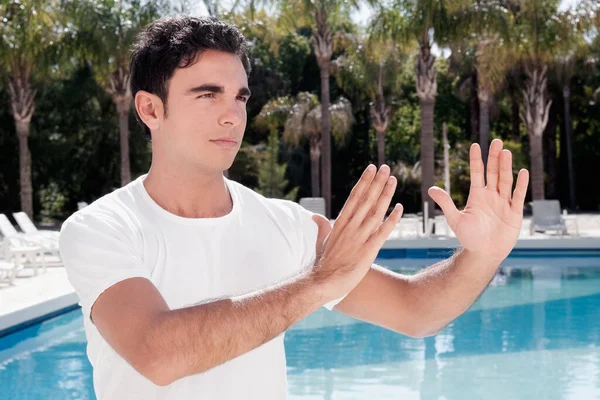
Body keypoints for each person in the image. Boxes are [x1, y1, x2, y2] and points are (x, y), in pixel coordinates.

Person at [58, 16, 530, 400]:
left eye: (240, 97)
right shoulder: (102, 229)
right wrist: (319, 282)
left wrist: (482, 255)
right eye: (207, 94)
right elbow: (157, 354)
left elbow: (415, 312)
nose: (232, 114)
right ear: (150, 109)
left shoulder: (285, 225)